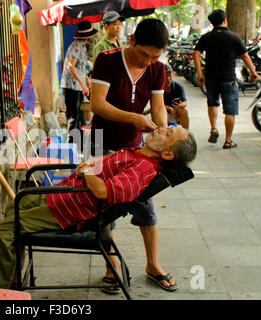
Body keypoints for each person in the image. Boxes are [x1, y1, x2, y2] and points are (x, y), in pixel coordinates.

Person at [0, 126, 197, 290]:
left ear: (168, 154)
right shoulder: (138, 152)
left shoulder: (142, 170)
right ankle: (12, 276)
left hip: (67, 209)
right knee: (16, 206)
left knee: (0, 234)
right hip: (63, 194)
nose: (161, 128)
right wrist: (92, 164)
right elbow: (109, 163)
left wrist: (87, 172)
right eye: (168, 127)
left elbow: (103, 192)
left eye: (167, 134)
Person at [89, 18, 172, 292]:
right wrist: (133, 118)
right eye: (143, 54)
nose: (148, 61)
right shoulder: (107, 59)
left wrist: (161, 133)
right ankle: (111, 265)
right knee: (106, 206)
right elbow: (97, 104)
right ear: (132, 39)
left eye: (155, 56)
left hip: (134, 147)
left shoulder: (158, 69)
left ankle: (152, 264)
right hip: (102, 143)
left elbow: (158, 107)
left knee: (145, 204)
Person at [193, 9, 257, 149]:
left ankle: (214, 129)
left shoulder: (207, 37)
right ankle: (228, 140)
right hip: (228, 79)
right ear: (225, 20)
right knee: (230, 111)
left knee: (212, 104)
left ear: (212, 23)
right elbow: (245, 56)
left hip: (210, 78)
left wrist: (200, 73)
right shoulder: (234, 37)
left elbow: (196, 53)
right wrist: (253, 72)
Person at [60, 21, 98, 134]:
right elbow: (71, 66)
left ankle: (78, 142)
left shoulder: (82, 46)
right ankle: (72, 143)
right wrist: (83, 84)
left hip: (77, 86)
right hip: (71, 86)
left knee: (80, 116)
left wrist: (87, 81)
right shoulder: (76, 46)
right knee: (73, 116)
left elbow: (80, 68)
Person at [163, 64, 189, 129]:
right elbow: (156, 105)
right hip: (163, 112)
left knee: (184, 111)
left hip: (176, 113)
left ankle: (186, 133)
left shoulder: (178, 87)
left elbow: (185, 101)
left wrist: (181, 105)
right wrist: (170, 109)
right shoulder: (158, 87)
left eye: (170, 75)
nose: (168, 79)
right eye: (166, 76)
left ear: (173, 75)